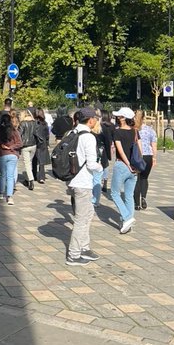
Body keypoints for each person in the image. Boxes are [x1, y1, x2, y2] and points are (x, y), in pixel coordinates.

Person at [66, 105, 102, 266]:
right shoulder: (88, 137)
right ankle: (74, 254)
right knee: (81, 219)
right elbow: (91, 163)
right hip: (83, 182)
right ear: (91, 120)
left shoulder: (72, 133)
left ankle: (85, 247)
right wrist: (100, 168)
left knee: (88, 214)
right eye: (95, 118)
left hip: (72, 179)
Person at [110, 107, 142, 234]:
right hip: (134, 166)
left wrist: (128, 164)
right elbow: (140, 150)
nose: (117, 118)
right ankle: (127, 224)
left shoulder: (117, 132)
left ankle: (127, 218)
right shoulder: (135, 131)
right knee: (129, 196)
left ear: (123, 118)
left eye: (119, 116)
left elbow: (120, 151)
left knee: (114, 193)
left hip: (122, 165)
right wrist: (137, 165)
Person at [0, 108, 22, 204]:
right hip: (13, 154)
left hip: (2, 155)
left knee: (3, 175)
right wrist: (11, 147)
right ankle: (9, 197)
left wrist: (2, 146)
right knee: (10, 176)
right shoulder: (14, 131)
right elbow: (20, 143)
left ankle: (1, 193)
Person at [133, 108, 157, 210]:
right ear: (144, 118)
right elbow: (154, 145)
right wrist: (154, 157)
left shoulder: (132, 130)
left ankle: (136, 203)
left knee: (136, 179)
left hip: (136, 156)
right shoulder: (150, 130)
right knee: (144, 178)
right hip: (148, 156)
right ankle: (143, 197)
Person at [18, 107, 37, 190]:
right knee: (29, 162)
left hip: (25, 145)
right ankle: (27, 178)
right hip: (34, 144)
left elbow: (19, 134)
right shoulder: (34, 122)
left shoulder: (22, 123)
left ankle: (31, 180)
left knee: (27, 163)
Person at [31, 107, 50, 184]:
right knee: (41, 161)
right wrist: (47, 143)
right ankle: (41, 177)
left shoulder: (33, 123)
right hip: (43, 143)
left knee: (34, 159)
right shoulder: (44, 123)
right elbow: (47, 135)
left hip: (34, 142)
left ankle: (34, 175)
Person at [100, 110, 116, 194]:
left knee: (99, 164)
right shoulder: (112, 126)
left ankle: (98, 182)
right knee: (105, 164)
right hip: (109, 147)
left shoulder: (99, 126)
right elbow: (114, 137)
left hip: (100, 146)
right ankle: (105, 182)